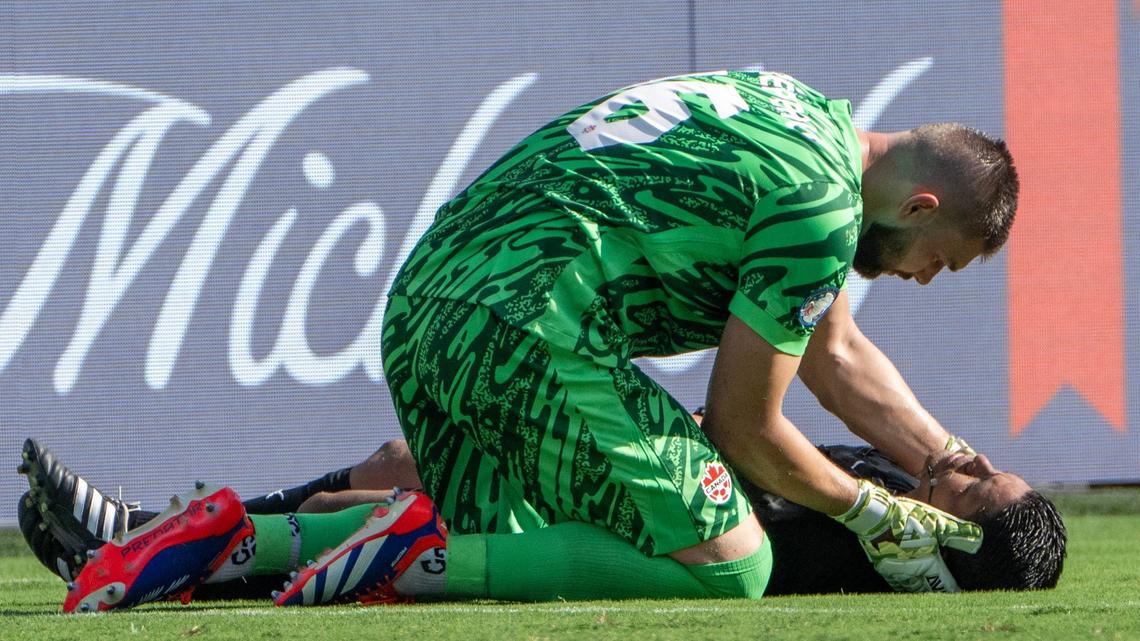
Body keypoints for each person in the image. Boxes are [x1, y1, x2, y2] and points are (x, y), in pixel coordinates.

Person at [58, 69, 1023, 611]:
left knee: (514, 549)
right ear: (924, 205)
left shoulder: (794, 111)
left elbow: (834, 353)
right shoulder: (820, 218)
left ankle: (227, 538)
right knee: (735, 563)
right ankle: (394, 556)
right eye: (945, 258)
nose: (925, 276)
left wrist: (940, 462)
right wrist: (875, 511)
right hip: (527, 325)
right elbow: (743, 424)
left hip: (426, 305)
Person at [18, 432, 1066, 598]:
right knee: (402, 465)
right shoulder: (887, 475)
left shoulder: (883, 547)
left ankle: (150, 550)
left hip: (639, 519)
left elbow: (740, 500)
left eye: (981, 485)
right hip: (641, 468)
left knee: (393, 501)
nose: (966, 461)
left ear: (966, 534)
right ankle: (150, 534)